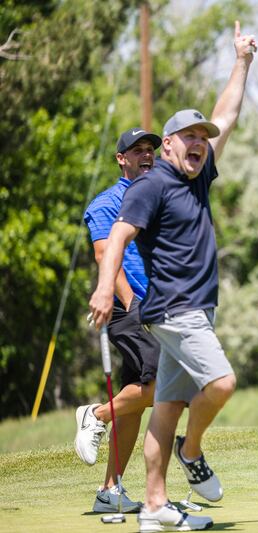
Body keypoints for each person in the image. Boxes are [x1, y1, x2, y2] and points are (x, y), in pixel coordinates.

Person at [89, 21, 256, 532]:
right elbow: (117, 237)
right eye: (189, 136)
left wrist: (242, 62)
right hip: (173, 308)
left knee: (166, 407)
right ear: (167, 145)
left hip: (193, 307)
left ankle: (154, 506)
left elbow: (226, 114)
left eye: (202, 138)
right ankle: (193, 450)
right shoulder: (151, 185)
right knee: (222, 383)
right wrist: (104, 289)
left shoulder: (197, 176)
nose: (199, 142)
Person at [76, 127, 163, 514]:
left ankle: (109, 491)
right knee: (162, 386)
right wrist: (131, 304)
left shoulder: (156, 197)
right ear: (121, 158)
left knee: (137, 397)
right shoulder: (106, 203)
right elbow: (103, 255)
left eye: (150, 150)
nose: (146, 155)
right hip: (127, 310)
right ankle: (94, 414)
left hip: (158, 308)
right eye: (137, 150)